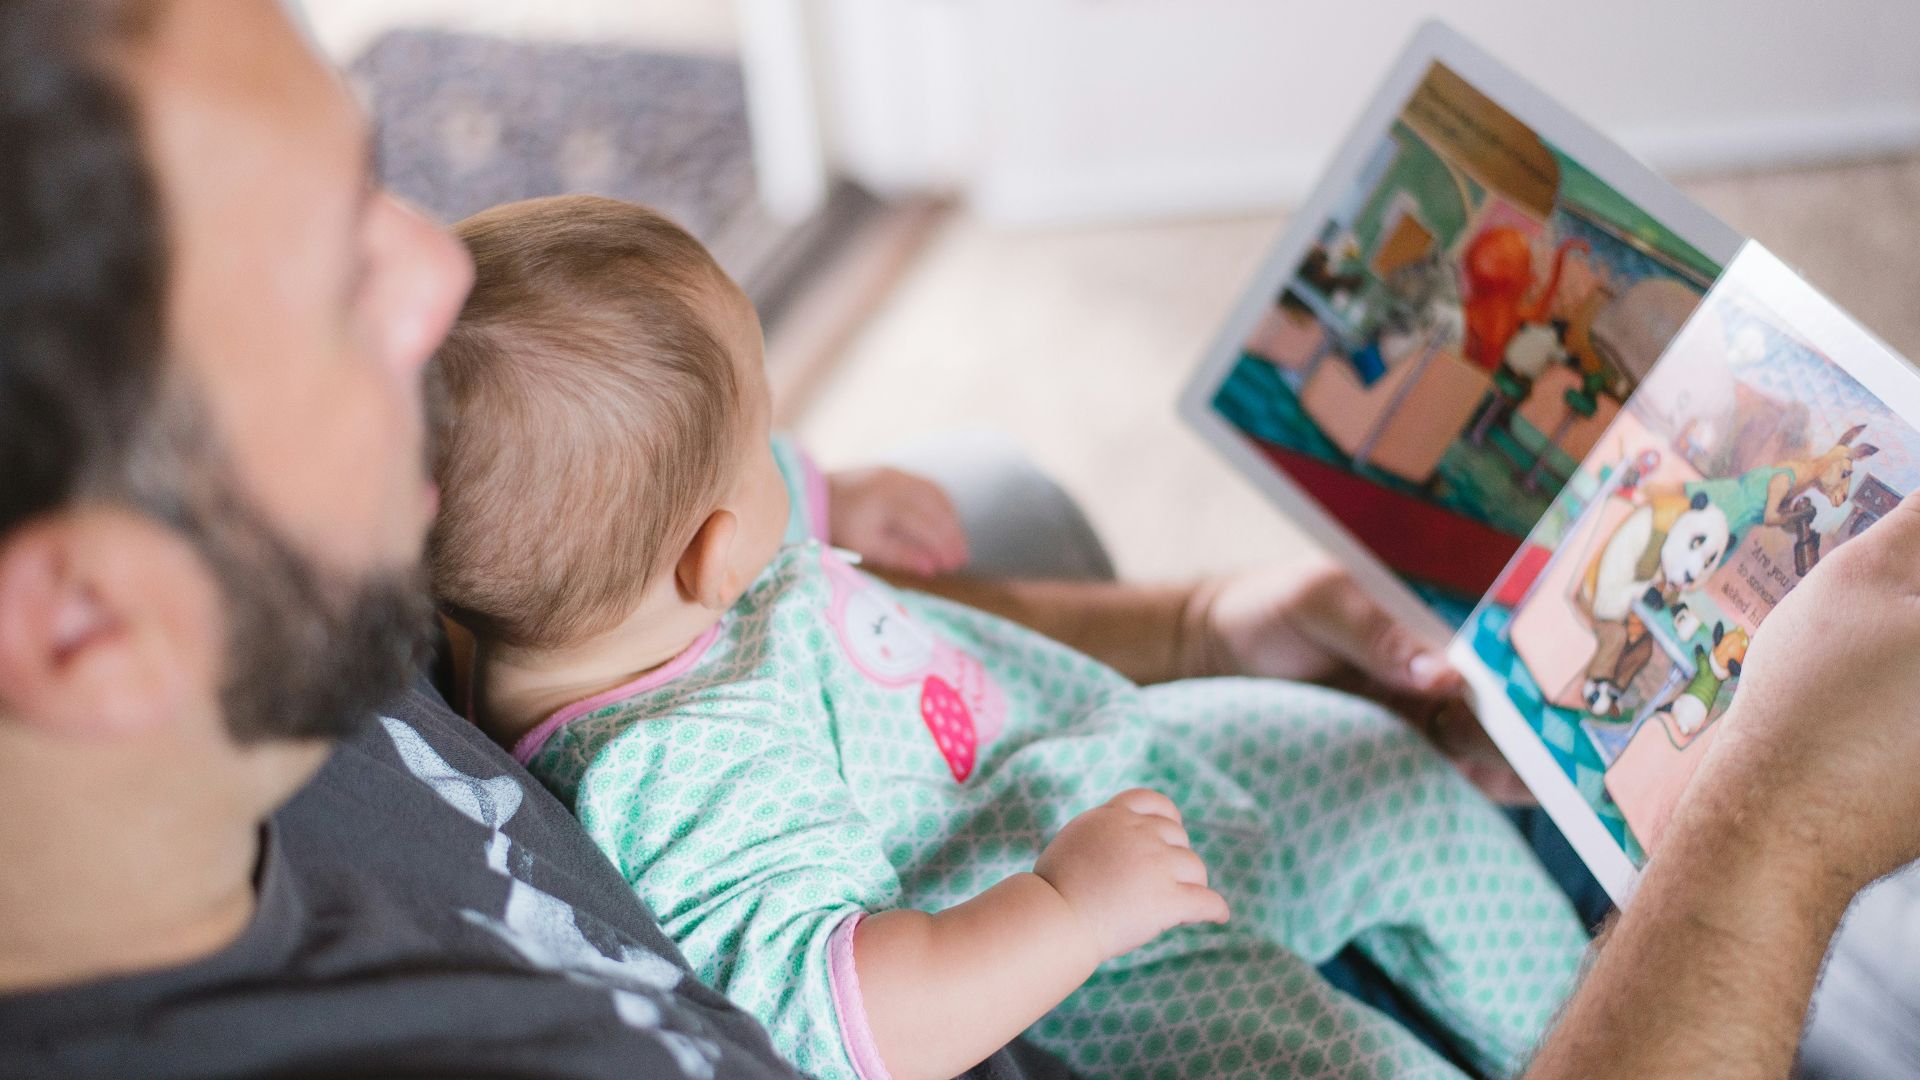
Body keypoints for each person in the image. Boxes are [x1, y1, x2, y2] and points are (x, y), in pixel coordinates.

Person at [0, 3, 1915, 1079]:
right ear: (84, 624)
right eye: (336, 282)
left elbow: (738, 588)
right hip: (1068, 964)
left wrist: (1179, 618)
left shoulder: (342, 581)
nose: (438, 264)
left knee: (1007, 487)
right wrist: (1781, 826)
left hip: (1052, 780)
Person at [426, 194, 1587, 1080]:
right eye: (766, 433)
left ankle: (1585, 1019)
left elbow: (713, 490)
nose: (783, 451)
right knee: (1334, 1061)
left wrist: (830, 493)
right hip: (1096, 953)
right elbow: (836, 1017)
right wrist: (1069, 909)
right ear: (715, 555)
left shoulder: (616, 583)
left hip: (1103, 749)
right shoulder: (675, 772)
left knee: (1385, 772)